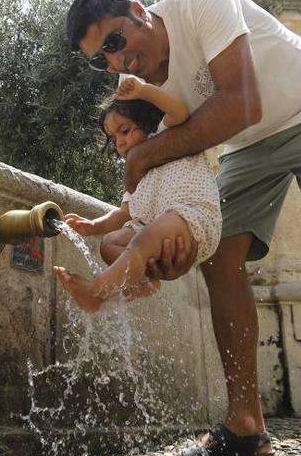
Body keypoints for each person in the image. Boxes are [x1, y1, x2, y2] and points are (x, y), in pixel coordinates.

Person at [66, 0, 301, 456]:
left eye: (115, 41)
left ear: (138, 10)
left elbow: (240, 102)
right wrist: (173, 250)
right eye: (100, 58)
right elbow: (171, 166)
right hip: (246, 144)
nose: (115, 61)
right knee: (218, 257)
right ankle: (246, 429)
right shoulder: (134, 84)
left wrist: (143, 157)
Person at [53, 76, 221, 312]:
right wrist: (93, 226)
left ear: (147, 120)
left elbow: (179, 111)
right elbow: (124, 213)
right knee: (110, 243)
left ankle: (98, 292)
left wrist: (144, 90)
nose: (120, 143)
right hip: (157, 228)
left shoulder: (167, 133)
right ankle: (143, 283)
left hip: (193, 214)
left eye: (125, 130)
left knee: (142, 239)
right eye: (114, 139)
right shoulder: (137, 171)